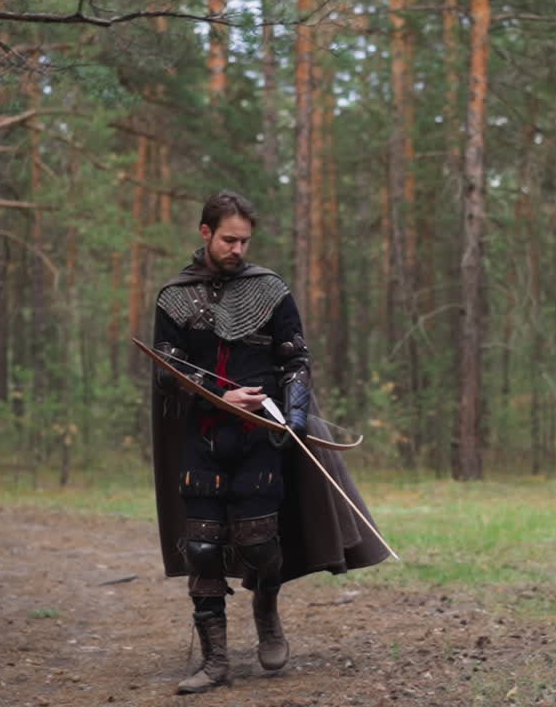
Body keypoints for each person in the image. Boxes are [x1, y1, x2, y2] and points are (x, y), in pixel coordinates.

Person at [149, 189, 389, 694]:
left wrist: (294, 418)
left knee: (261, 543)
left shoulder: (270, 289)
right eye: (228, 239)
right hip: (203, 435)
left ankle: (266, 606)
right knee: (202, 546)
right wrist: (221, 395)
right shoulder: (174, 296)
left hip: (263, 435)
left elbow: (296, 361)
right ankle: (215, 663)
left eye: (245, 241)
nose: (237, 249)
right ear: (205, 233)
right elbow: (168, 371)